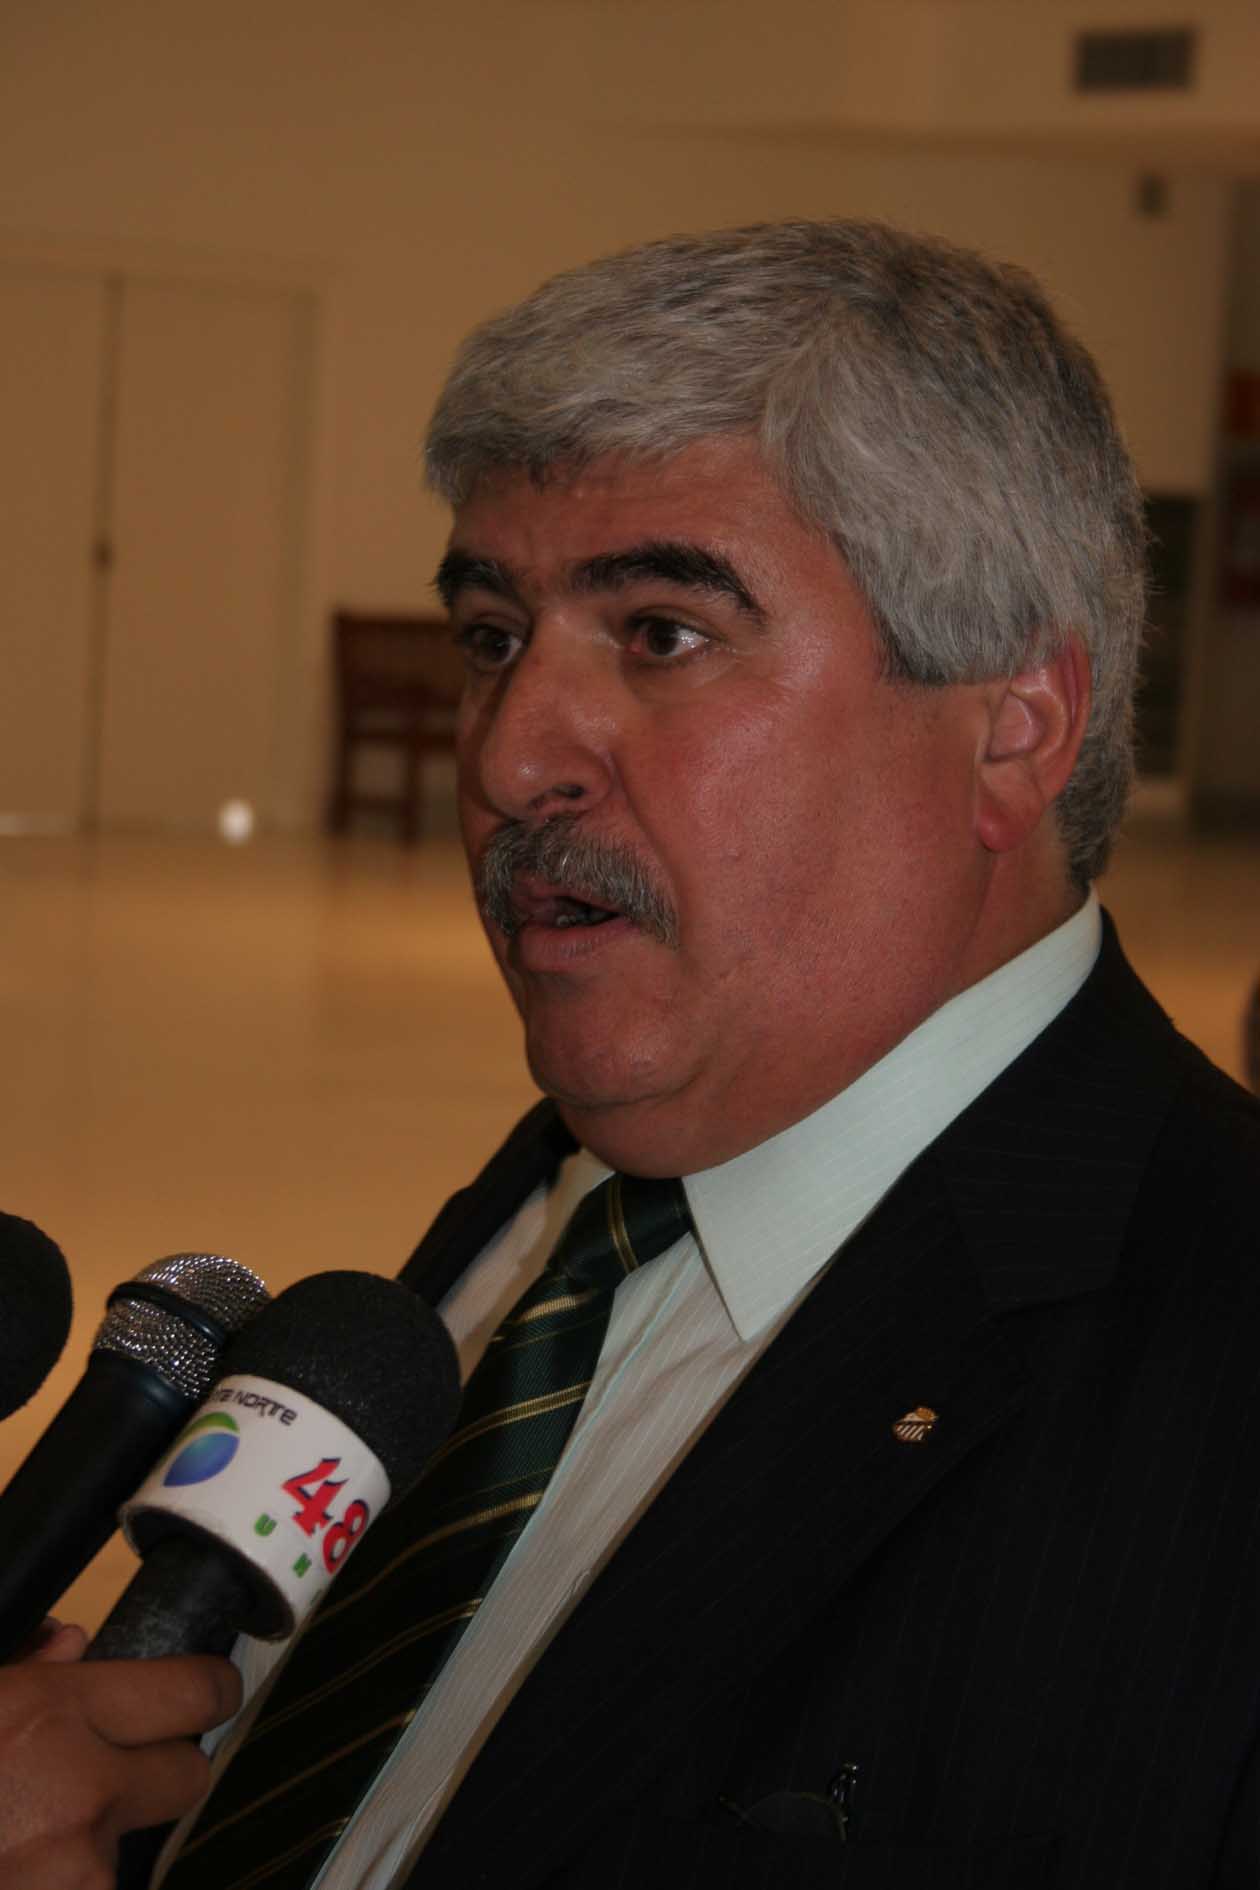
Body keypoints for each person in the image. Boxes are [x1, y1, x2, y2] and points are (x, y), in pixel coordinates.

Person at [4, 218, 1259, 1889]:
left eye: (663, 630)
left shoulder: (1216, 1387)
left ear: (1015, 728)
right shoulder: (571, 1197)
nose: (510, 753)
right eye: (491, 636)